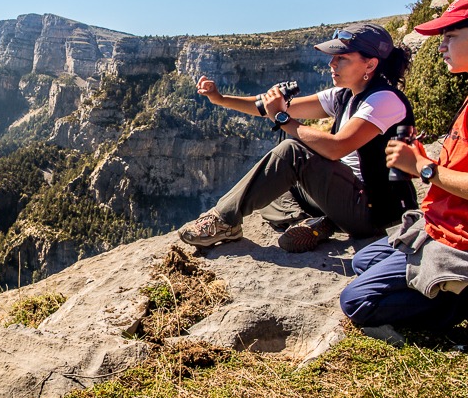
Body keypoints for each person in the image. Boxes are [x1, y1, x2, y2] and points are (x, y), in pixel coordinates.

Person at [340, 0, 468, 350]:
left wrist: (424, 168)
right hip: (445, 224)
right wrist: (425, 161)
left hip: (467, 239)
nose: (441, 46)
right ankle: (462, 284)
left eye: (450, 36)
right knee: (364, 260)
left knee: (357, 302)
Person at [178, 23, 417, 253]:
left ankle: (223, 220)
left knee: (293, 151)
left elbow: (336, 148)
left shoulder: (385, 100)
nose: (332, 63)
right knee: (268, 187)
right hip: (344, 198)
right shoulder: (344, 95)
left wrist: (282, 119)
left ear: (370, 64)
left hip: (376, 213)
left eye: (342, 58)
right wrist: (220, 99)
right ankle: (308, 224)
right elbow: (270, 106)